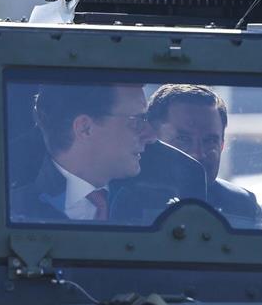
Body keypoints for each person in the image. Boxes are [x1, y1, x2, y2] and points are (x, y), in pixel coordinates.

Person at [11, 83, 158, 222]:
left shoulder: (163, 196)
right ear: (85, 128)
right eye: (138, 121)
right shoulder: (11, 208)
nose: (151, 136)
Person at [146, 84, 262, 228]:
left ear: (222, 145)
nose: (198, 154)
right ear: (150, 141)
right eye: (183, 139)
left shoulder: (243, 206)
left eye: (210, 141)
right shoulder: (119, 198)